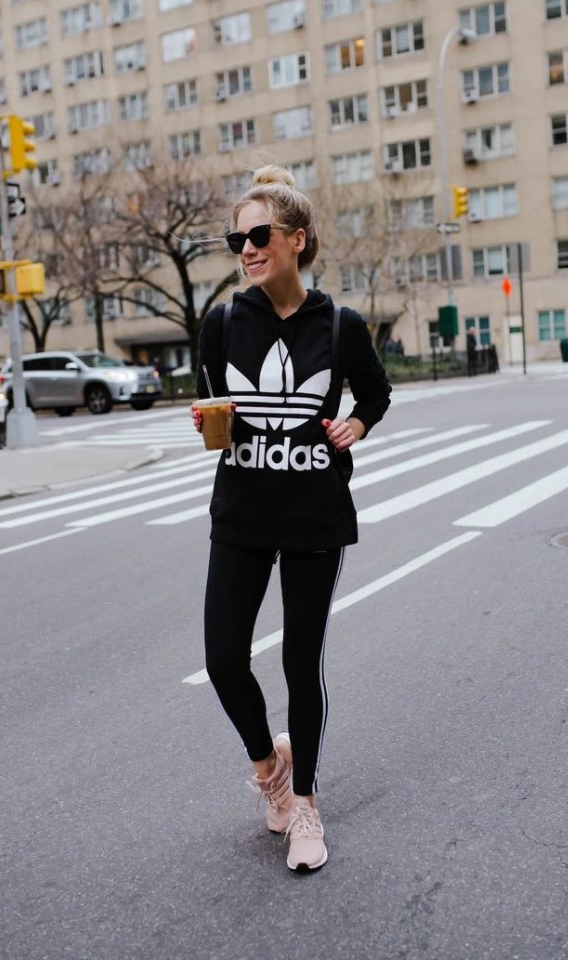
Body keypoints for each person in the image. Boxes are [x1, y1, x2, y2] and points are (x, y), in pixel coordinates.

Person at [191, 165, 391, 873]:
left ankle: (303, 801)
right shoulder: (219, 321)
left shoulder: (338, 325)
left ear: (296, 240)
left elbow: (374, 394)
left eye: (258, 235)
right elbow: (214, 407)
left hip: (313, 515)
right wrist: (210, 423)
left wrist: (356, 425)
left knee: (299, 663)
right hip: (241, 511)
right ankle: (268, 771)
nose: (244, 248)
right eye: (235, 238)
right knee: (221, 660)